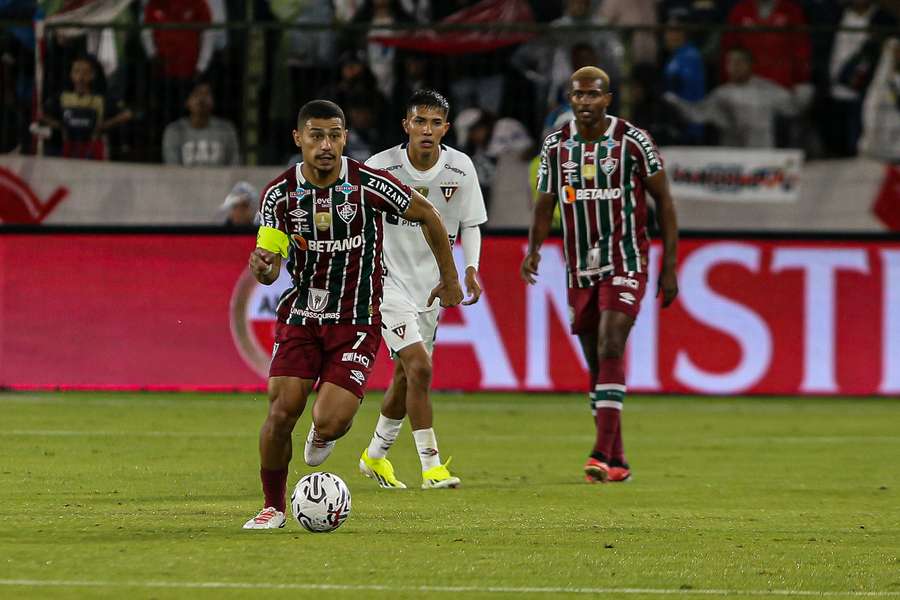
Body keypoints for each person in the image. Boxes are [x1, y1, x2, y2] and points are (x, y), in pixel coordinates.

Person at [243, 99, 462, 529]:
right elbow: (269, 264)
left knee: (332, 419)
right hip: (302, 316)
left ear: (345, 137)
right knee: (281, 409)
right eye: (316, 135)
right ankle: (272, 507)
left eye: (334, 135)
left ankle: (322, 432)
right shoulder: (280, 196)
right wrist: (265, 268)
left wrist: (450, 278)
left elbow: (430, 216)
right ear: (298, 138)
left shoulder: (368, 184)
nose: (326, 145)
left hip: (357, 320)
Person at [521, 66, 679, 484]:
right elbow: (544, 203)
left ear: (608, 99)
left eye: (593, 95)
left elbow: (664, 201)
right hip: (580, 266)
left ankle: (598, 452)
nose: (585, 102)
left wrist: (670, 266)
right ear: (570, 99)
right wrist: (534, 250)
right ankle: (618, 458)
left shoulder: (633, 141)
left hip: (627, 259)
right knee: (596, 361)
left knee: (611, 342)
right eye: (578, 95)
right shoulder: (557, 146)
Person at [358, 90, 487, 490]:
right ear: (406, 126)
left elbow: (471, 223)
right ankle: (431, 467)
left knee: (405, 376)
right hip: (388, 282)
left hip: (432, 288)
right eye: (419, 122)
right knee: (421, 367)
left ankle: (374, 456)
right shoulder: (380, 166)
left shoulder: (461, 169)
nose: (427, 130)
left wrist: (469, 269)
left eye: (435, 123)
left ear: (446, 128)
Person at [664, 47, 811, 148]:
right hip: (733, 159)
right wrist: (676, 102)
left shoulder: (767, 89)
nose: (734, 66)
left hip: (764, 156)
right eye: (730, 62)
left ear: (750, 64)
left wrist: (805, 92)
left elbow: (794, 107)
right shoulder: (721, 94)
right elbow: (697, 114)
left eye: (739, 62)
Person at [41, 55, 132, 160]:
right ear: (71, 75)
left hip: (93, 149)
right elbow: (41, 115)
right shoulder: (62, 97)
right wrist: (62, 126)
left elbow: (127, 114)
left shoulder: (101, 99)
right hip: (69, 148)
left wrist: (102, 126)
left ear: (92, 75)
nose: (80, 77)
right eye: (76, 71)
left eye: (85, 72)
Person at [162, 80, 239, 166]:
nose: (202, 99)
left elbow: (234, 166)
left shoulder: (225, 129)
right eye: (196, 94)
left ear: (213, 100)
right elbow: (173, 168)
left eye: (206, 94)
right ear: (187, 101)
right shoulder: (174, 130)